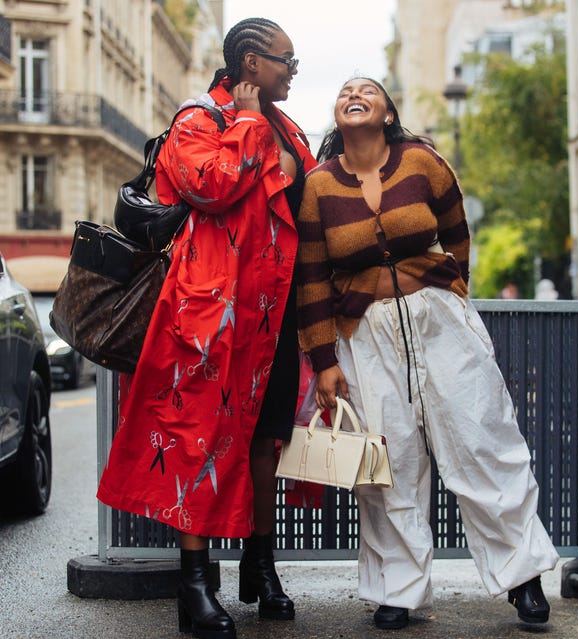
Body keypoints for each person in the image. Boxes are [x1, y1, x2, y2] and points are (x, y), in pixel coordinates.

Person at [296, 77, 559, 631]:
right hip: (364, 333)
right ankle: (401, 589)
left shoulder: (422, 162)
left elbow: (457, 233)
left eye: (366, 89)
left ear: (388, 112)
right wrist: (324, 360)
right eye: (343, 90)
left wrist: (448, 291)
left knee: (484, 442)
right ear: (337, 114)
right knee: (389, 463)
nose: (352, 94)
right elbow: (312, 278)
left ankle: (523, 578)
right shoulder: (318, 186)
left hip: (439, 323)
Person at [97, 18, 317, 639]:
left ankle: (260, 560)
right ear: (249, 62)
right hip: (210, 314)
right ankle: (193, 585)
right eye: (285, 61)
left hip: (274, 313)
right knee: (197, 437)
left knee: (267, 439)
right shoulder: (202, 119)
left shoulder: (289, 129)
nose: (292, 72)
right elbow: (211, 186)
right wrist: (247, 124)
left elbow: (304, 201)